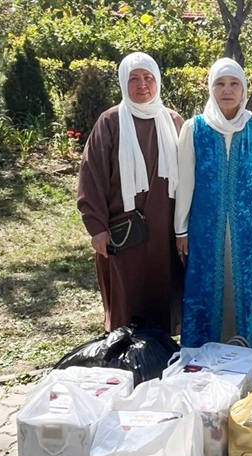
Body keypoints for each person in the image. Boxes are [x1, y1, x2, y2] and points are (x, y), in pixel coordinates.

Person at [77, 52, 184, 335]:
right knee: (128, 298)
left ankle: (160, 350)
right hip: (124, 233)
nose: (142, 85)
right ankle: (125, 348)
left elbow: (189, 177)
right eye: (134, 79)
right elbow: (92, 177)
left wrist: (186, 228)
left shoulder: (173, 121)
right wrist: (97, 228)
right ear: (124, 82)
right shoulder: (110, 121)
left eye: (148, 77)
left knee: (163, 292)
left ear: (157, 80)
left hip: (166, 231)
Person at [174, 57, 252, 349]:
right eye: (220, 83)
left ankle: (248, 352)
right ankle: (202, 353)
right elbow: (185, 181)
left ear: (244, 89)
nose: (227, 90)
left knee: (247, 288)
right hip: (205, 225)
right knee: (206, 286)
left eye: (234, 83)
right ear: (210, 88)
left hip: (249, 229)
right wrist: (181, 229)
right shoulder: (195, 128)